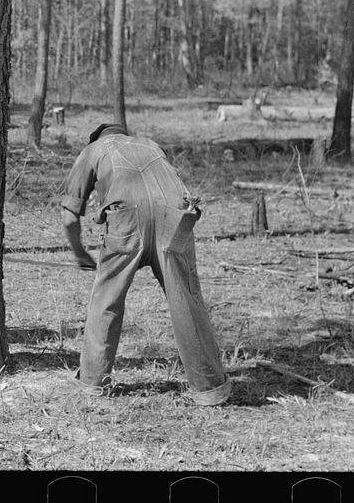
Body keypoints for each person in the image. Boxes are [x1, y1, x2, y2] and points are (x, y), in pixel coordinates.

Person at [59, 122, 231, 404]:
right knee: (186, 301)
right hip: (175, 217)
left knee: (107, 300)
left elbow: (69, 214)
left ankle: (92, 383)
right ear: (124, 134)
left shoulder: (94, 150)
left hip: (127, 220)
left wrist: (79, 252)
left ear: (97, 137)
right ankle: (210, 389)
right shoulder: (151, 145)